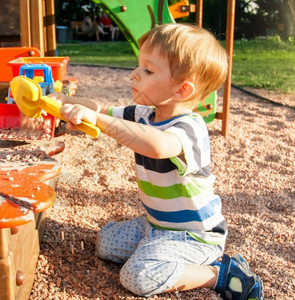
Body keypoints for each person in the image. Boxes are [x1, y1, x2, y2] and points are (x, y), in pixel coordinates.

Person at [49, 23, 263, 299]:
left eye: (148, 71)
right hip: (157, 225)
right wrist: (64, 101)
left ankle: (221, 274)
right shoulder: (144, 114)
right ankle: (159, 250)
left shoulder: (190, 128)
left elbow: (157, 145)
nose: (135, 74)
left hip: (195, 236)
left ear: (182, 90)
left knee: (137, 276)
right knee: (105, 244)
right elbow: (100, 109)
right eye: (139, 66)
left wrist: (99, 121)